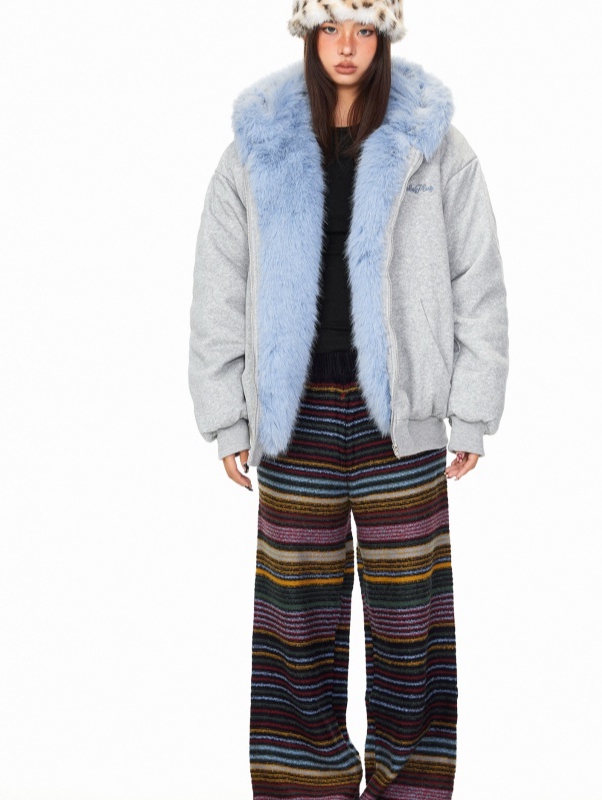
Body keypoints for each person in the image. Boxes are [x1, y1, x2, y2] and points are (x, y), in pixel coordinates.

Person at [188, 1, 509, 797]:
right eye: (332, 26)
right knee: (296, 625)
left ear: (385, 36)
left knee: (410, 622)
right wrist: (226, 412)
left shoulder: (434, 145)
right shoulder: (257, 146)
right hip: (293, 418)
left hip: (400, 419)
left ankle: (409, 785)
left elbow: (478, 279)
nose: (346, 46)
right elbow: (220, 283)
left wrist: (471, 408)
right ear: (308, 32)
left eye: (364, 28)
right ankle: (306, 786)